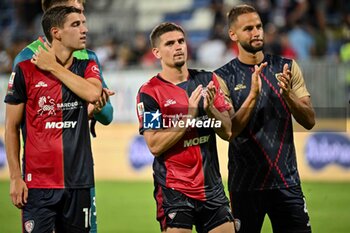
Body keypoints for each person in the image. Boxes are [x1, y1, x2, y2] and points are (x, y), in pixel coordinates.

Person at [136, 22, 252, 233]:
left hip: (212, 190)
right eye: (170, 43)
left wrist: (211, 112)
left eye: (181, 41)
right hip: (174, 192)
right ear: (156, 52)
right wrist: (189, 116)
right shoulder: (150, 93)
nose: (178, 47)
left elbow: (227, 132)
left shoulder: (208, 80)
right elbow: (154, 145)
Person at [214, 4, 316, 233]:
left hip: (286, 182)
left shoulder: (286, 67)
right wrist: (252, 96)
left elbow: (310, 120)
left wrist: (288, 95)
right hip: (245, 186)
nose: (256, 32)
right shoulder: (222, 77)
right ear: (233, 34)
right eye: (248, 28)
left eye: (258, 26)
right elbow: (230, 131)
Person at [4, 6, 102, 232]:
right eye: (76, 25)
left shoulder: (87, 65)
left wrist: (52, 67)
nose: (84, 30)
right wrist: (15, 178)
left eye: (84, 23)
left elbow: (93, 93)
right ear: (56, 32)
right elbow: (11, 127)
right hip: (37, 186)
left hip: (78, 182)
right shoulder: (24, 70)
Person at [13, 0, 114, 135]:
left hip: (77, 152)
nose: (82, 22)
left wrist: (95, 109)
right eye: (74, 12)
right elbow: (14, 122)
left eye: (82, 13)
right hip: (39, 151)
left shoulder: (88, 57)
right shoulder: (26, 58)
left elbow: (107, 115)